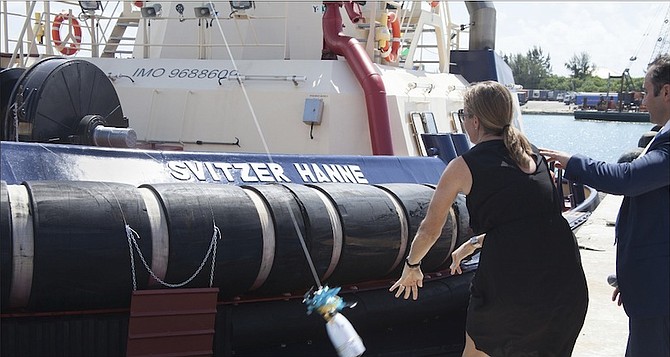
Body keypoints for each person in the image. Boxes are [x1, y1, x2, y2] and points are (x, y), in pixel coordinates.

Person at [389, 81, 588, 356]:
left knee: (478, 350)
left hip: (511, 284)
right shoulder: (532, 154)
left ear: (475, 121)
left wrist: (412, 265)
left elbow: (430, 229)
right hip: (565, 283)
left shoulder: (463, 166)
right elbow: (530, 221)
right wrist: (473, 244)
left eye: (463, 115)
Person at [541, 54, 670, 357]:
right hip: (653, 285)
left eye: (645, 91)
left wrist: (571, 161)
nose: (641, 101)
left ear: (666, 92)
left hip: (660, 292)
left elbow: (626, 179)